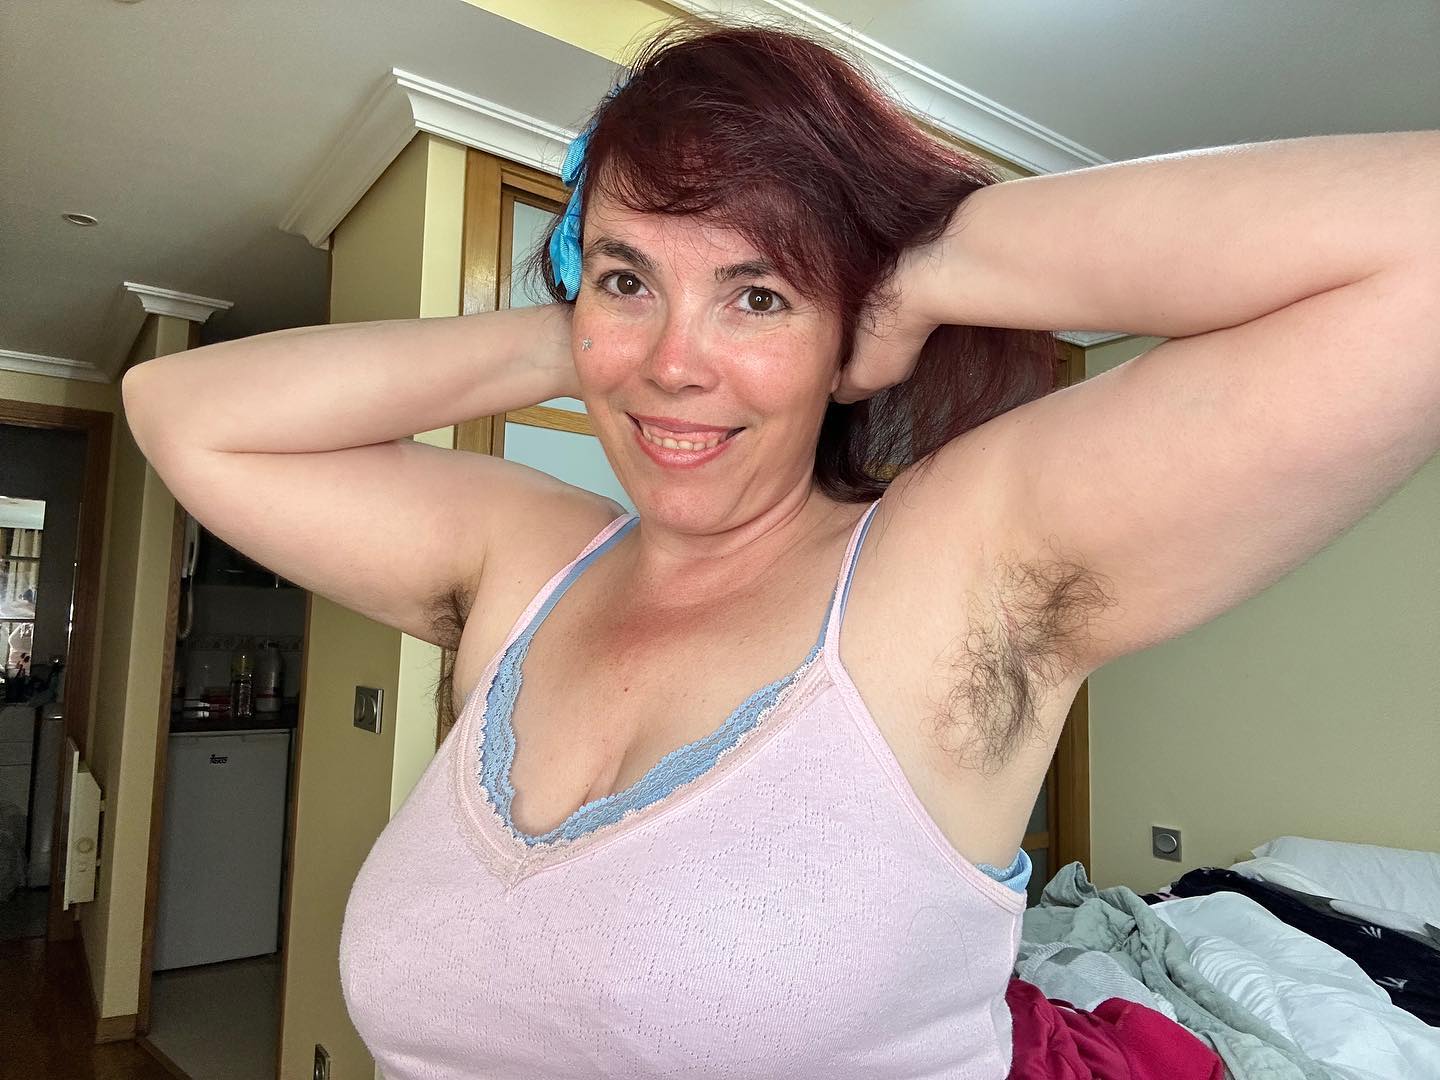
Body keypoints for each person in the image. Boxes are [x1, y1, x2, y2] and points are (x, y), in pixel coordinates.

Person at [121, 19, 1440, 1080]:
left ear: (847, 333)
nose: (676, 366)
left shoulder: (952, 566)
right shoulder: (529, 558)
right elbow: (182, 413)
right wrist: (586, 336)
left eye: (759, 294)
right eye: (628, 277)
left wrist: (919, 270)